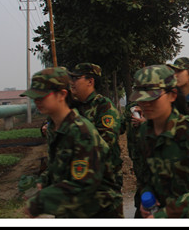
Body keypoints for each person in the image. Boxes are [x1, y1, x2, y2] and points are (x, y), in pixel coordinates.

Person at [21, 67, 121, 218]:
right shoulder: (57, 128)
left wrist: (41, 201)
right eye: (34, 97)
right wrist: (42, 181)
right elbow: (59, 166)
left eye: (42, 96)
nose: (37, 101)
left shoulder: (80, 131)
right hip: (73, 212)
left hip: (98, 213)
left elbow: (84, 184)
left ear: (62, 95)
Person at [131, 64, 189, 217]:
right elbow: (145, 177)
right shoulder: (144, 132)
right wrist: (146, 197)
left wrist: (166, 216)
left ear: (172, 95)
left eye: (153, 98)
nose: (146, 104)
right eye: (141, 98)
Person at [69, 63, 123, 216]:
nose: (72, 82)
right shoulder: (71, 106)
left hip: (103, 182)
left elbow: (105, 142)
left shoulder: (103, 106)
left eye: (76, 78)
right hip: (77, 181)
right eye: (71, 78)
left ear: (90, 81)